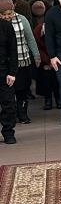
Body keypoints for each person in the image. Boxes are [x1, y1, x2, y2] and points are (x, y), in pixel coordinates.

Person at [0, 0, 39, 127]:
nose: (7, 17)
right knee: (8, 92)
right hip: (5, 64)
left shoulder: (22, 19)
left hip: (22, 60)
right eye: (3, 14)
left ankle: (22, 113)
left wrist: (36, 55)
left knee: (22, 89)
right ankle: (11, 114)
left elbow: (30, 38)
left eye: (9, 13)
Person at [29, 0, 58, 110]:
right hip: (44, 62)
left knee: (57, 78)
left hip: (57, 59)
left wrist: (53, 61)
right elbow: (36, 47)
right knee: (46, 77)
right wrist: (47, 62)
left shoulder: (58, 29)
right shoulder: (38, 30)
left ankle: (58, 99)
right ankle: (48, 100)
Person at [0, 8, 17, 143]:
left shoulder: (5, 26)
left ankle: (8, 132)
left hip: (4, 70)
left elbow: (13, 51)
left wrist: (12, 72)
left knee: (9, 103)